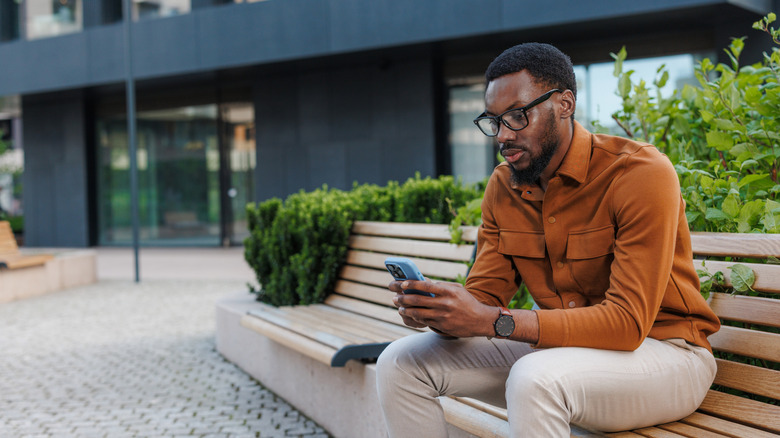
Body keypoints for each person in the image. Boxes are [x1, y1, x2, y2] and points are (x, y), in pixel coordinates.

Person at [375, 42, 721, 437]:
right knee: (400, 363)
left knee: (535, 378)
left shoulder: (639, 172)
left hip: (667, 355)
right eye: (493, 121)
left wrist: (493, 322)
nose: (503, 135)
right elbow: (485, 299)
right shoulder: (504, 186)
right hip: (564, 357)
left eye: (517, 116)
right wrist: (442, 316)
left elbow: (626, 324)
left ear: (565, 104)